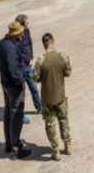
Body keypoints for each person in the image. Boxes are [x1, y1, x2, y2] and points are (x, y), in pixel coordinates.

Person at [33, 33, 72, 161]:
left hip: (47, 99)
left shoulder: (41, 59)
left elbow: (36, 78)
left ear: (44, 44)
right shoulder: (62, 55)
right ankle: (68, 146)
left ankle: (56, 151)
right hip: (60, 96)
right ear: (53, 41)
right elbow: (68, 72)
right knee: (63, 120)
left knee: (50, 125)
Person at [0, 21, 31, 160]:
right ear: (16, 33)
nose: (23, 33)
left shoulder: (2, 43)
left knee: (8, 114)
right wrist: (21, 81)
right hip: (13, 86)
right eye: (21, 31)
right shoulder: (11, 47)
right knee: (16, 117)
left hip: (5, 84)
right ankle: (16, 149)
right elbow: (13, 69)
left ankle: (9, 145)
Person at [16, 14, 42, 121]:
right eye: (26, 23)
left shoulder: (27, 31)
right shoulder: (15, 35)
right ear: (21, 24)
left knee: (34, 88)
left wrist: (31, 57)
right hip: (20, 69)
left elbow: (30, 44)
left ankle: (40, 107)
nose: (28, 24)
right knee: (20, 94)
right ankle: (20, 114)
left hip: (28, 65)